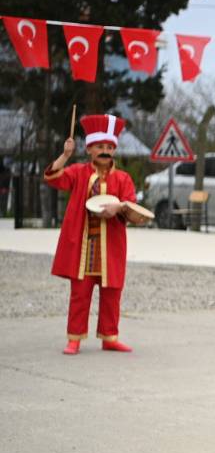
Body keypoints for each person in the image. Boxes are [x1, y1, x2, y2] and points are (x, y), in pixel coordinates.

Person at [44, 114, 138, 355]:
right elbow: (53, 178)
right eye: (100, 147)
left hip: (111, 246)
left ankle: (110, 337)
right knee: (80, 293)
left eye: (109, 147)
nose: (105, 151)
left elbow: (132, 206)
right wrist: (65, 155)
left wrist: (119, 207)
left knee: (112, 293)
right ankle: (74, 338)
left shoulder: (123, 178)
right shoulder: (77, 172)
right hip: (84, 244)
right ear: (89, 150)